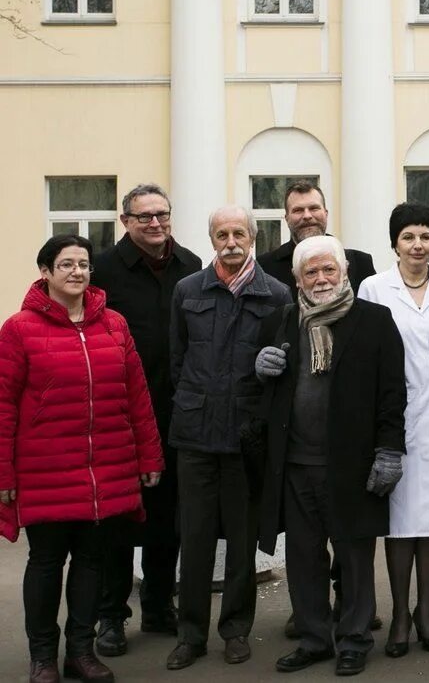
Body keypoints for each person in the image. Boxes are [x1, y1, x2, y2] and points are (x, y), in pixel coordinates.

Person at [1, 234, 165, 683]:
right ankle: (41, 657)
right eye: (67, 264)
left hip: (105, 469)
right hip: (44, 470)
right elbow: (3, 405)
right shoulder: (19, 329)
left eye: (84, 264)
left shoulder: (114, 324)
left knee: (93, 563)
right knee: (46, 563)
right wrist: (3, 472)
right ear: (46, 272)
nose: (77, 271)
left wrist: (149, 457)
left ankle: (80, 651)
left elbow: (137, 397)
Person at [252, 235, 407, 677]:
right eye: (311, 272)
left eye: (328, 270)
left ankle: (355, 639)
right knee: (303, 558)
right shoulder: (283, 322)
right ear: (297, 279)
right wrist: (259, 368)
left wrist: (389, 451)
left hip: (353, 464)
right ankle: (316, 639)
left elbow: (392, 393)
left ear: (344, 273)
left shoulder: (374, 321)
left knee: (354, 557)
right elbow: (267, 394)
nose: (320, 279)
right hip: (295, 464)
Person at [165, 206, 290, 670]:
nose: (231, 240)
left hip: (246, 437)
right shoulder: (188, 290)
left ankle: (235, 631)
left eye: (239, 232)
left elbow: (280, 366)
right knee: (194, 541)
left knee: (241, 543)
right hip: (195, 436)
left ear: (253, 238)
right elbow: (178, 361)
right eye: (222, 233)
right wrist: (195, 401)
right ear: (212, 238)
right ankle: (191, 635)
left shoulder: (276, 294)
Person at [91, 184, 202, 657]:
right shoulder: (103, 269)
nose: (155, 224)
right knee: (117, 518)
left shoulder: (192, 266)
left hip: (177, 411)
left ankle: (159, 604)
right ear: (126, 221)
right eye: (144, 217)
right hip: (120, 415)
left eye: (162, 214)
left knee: (168, 518)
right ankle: (111, 616)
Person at [359, 203, 429, 658]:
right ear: (394, 242)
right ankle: (399, 614)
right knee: (400, 523)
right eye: (408, 237)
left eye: (425, 236)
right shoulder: (374, 288)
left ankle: (426, 612)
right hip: (395, 421)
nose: (417, 245)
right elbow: (366, 352)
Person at [258, 181, 376, 298]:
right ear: (286, 218)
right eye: (298, 210)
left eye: (314, 208)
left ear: (326, 213)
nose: (307, 216)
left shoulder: (360, 263)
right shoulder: (265, 267)